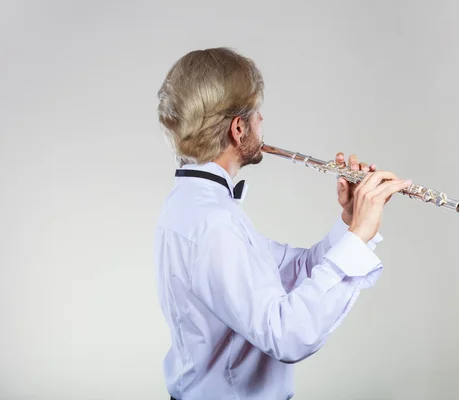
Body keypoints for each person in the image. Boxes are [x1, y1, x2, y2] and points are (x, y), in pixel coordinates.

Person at [154, 47, 411, 400]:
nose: (262, 122)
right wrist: (358, 236)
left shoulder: (193, 203)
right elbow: (287, 334)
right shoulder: (215, 224)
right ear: (238, 128)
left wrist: (349, 222)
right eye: (257, 113)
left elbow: (292, 270)